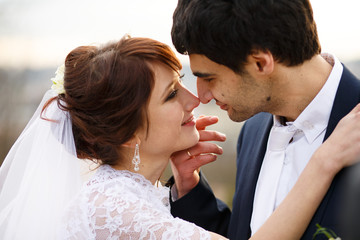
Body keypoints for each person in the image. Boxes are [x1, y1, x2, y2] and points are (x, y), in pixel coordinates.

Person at [0, 36, 359, 240]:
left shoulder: (140, 196)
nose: (195, 98)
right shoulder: (109, 207)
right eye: (172, 94)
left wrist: (189, 189)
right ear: (128, 134)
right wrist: (323, 162)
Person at [169, 0, 360, 239]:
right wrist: (191, 191)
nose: (203, 97)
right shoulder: (254, 129)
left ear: (261, 63)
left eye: (209, 78)